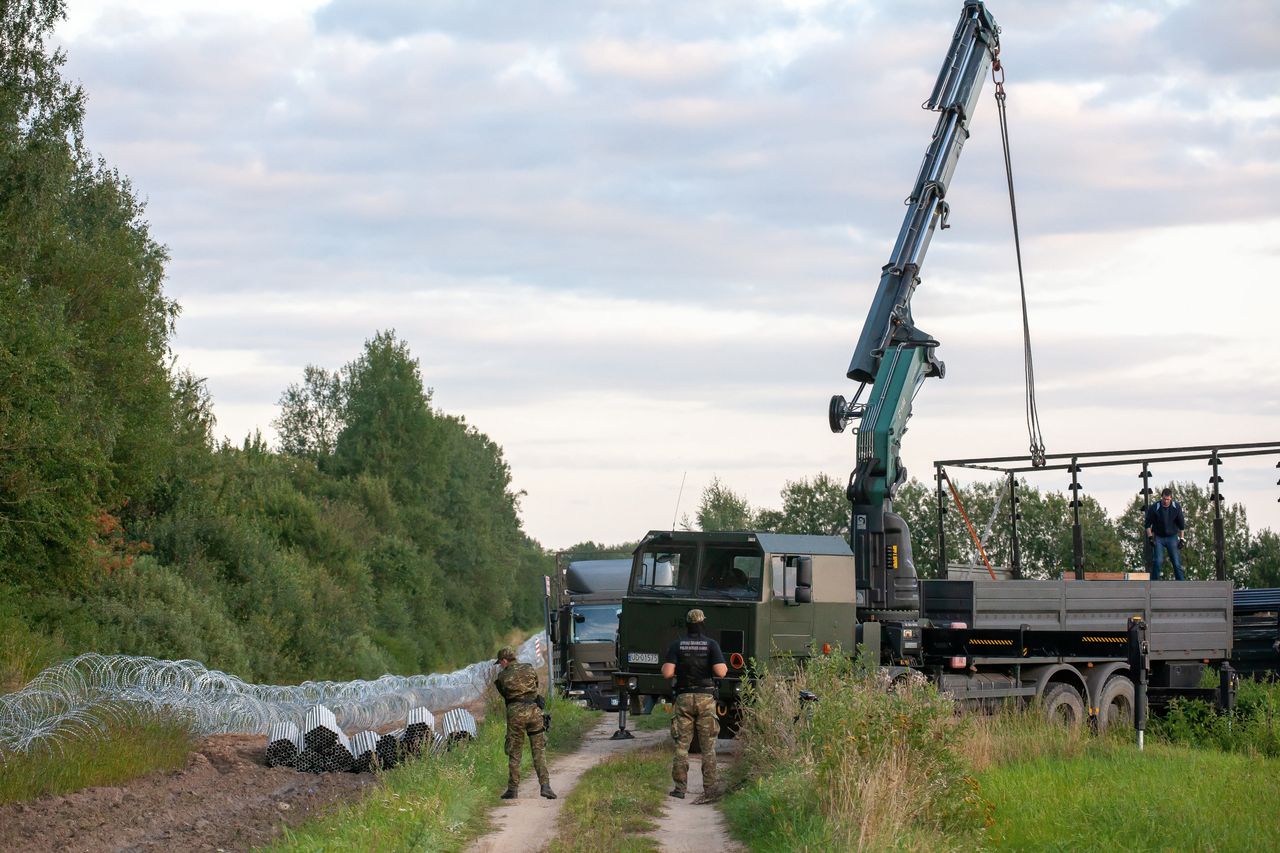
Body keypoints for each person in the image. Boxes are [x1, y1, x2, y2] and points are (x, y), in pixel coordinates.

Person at [661, 609, 728, 804]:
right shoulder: (711, 644)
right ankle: (710, 789)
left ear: (687, 624)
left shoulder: (677, 645)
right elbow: (721, 672)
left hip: (683, 697)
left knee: (682, 746)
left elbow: (667, 673)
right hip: (705, 698)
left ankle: (680, 789)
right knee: (708, 747)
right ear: (703, 624)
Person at [493, 646, 555, 800]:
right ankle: (545, 786)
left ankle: (513, 790)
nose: (500, 665)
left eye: (500, 662)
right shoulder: (529, 668)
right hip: (534, 712)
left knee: (515, 752)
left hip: (516, 715)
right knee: (539, 750)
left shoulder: (502, 676)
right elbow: (535, 685)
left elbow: (505, 694)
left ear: (504, 660)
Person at [1144, 487, 1186, 581]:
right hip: (1159, 537)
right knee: (1158, 561)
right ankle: (1154, 583)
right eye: (1164, 499)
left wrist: (1182, 539)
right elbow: (1147, 524)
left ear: (1171, 498)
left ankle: (1182, 584)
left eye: (1167, 499)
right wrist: (1150, 537)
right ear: (1161, 497)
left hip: (1172, 537)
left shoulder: (1176, 507)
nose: (1165, 501)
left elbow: (1181, 525)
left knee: (1176, 562)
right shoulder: (1155, 507)